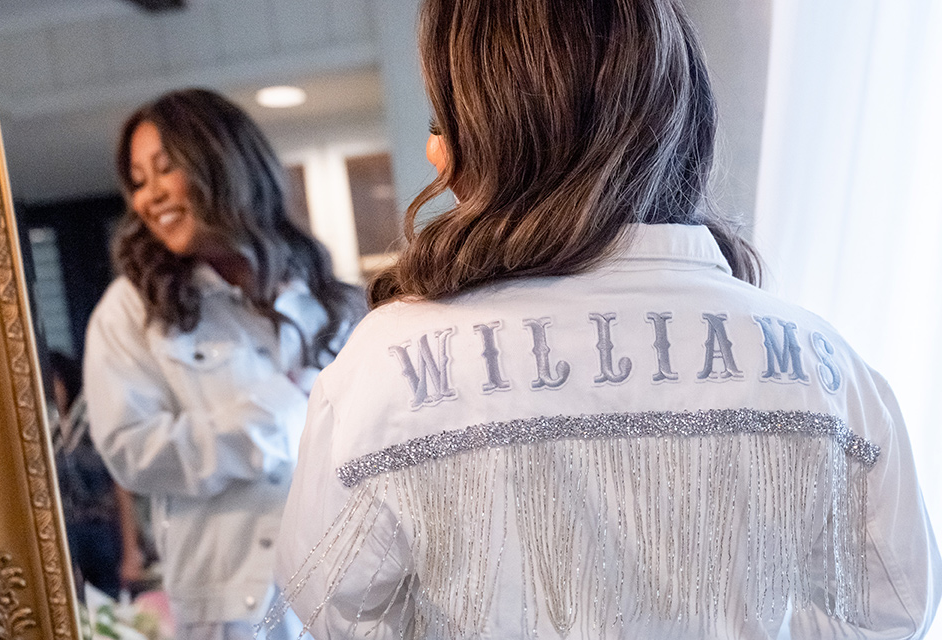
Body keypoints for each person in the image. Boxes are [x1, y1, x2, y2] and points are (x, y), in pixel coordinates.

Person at [270, 0, 942, 638]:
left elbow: (333, 611)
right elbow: (892, 610)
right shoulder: (821, 362)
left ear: (489, 130)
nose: (432, 153)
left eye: (441, 119)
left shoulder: (385, 366)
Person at [84, 88, 365, 640]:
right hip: (234, 612)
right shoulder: (132, 311)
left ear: (224, 165)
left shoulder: (327, 300)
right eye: (138, 180)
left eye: (165, 170)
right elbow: (134, 454)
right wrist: (281, 412)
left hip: (349, 592)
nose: (149, 197)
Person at [49, 350, 148, 601]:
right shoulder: (39, 438)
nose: (51, 389)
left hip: (104, 532)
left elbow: (120, 488)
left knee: (114, 605)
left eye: (55, 380)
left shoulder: (92, 428)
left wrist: (131, 550)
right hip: (61, 533)